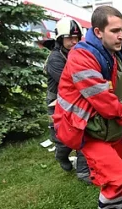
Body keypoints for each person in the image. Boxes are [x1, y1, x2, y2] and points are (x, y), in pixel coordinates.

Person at [52, 6, 122, 209]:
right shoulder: (81, 56)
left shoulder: (119, 53)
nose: (121, 35)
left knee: (121, 172)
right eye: (115, 30)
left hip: (108, 127)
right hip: (86, 129)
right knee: (119, 178)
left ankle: (112, 198)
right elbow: (103, 101)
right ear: (98, 31)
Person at [43, 17, 91, 184]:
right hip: (58, 102)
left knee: (82, 132)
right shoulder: (55, 59)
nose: (73, 41)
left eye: (76, 38)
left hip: (78, 99)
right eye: (69, 38)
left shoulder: (78, 54)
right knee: (63, 138)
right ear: (60, 39)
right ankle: (61, 156)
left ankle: (83, 172)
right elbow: (70, 81)